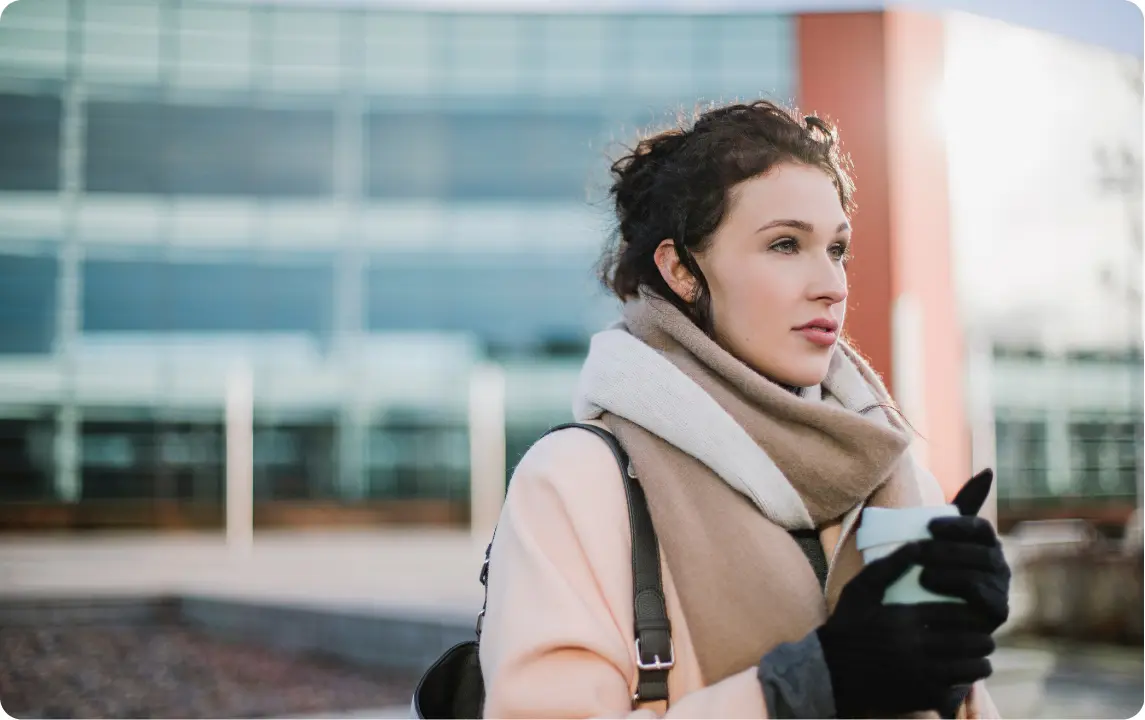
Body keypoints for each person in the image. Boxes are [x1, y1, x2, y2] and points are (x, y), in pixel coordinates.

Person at [478, 100, 1011, 719]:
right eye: (785, 245)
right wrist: (810, 683)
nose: (832, 285)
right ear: (681, 270)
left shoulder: (896, 477)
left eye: (837, 249)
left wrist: (953, 675)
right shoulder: (578, 481)